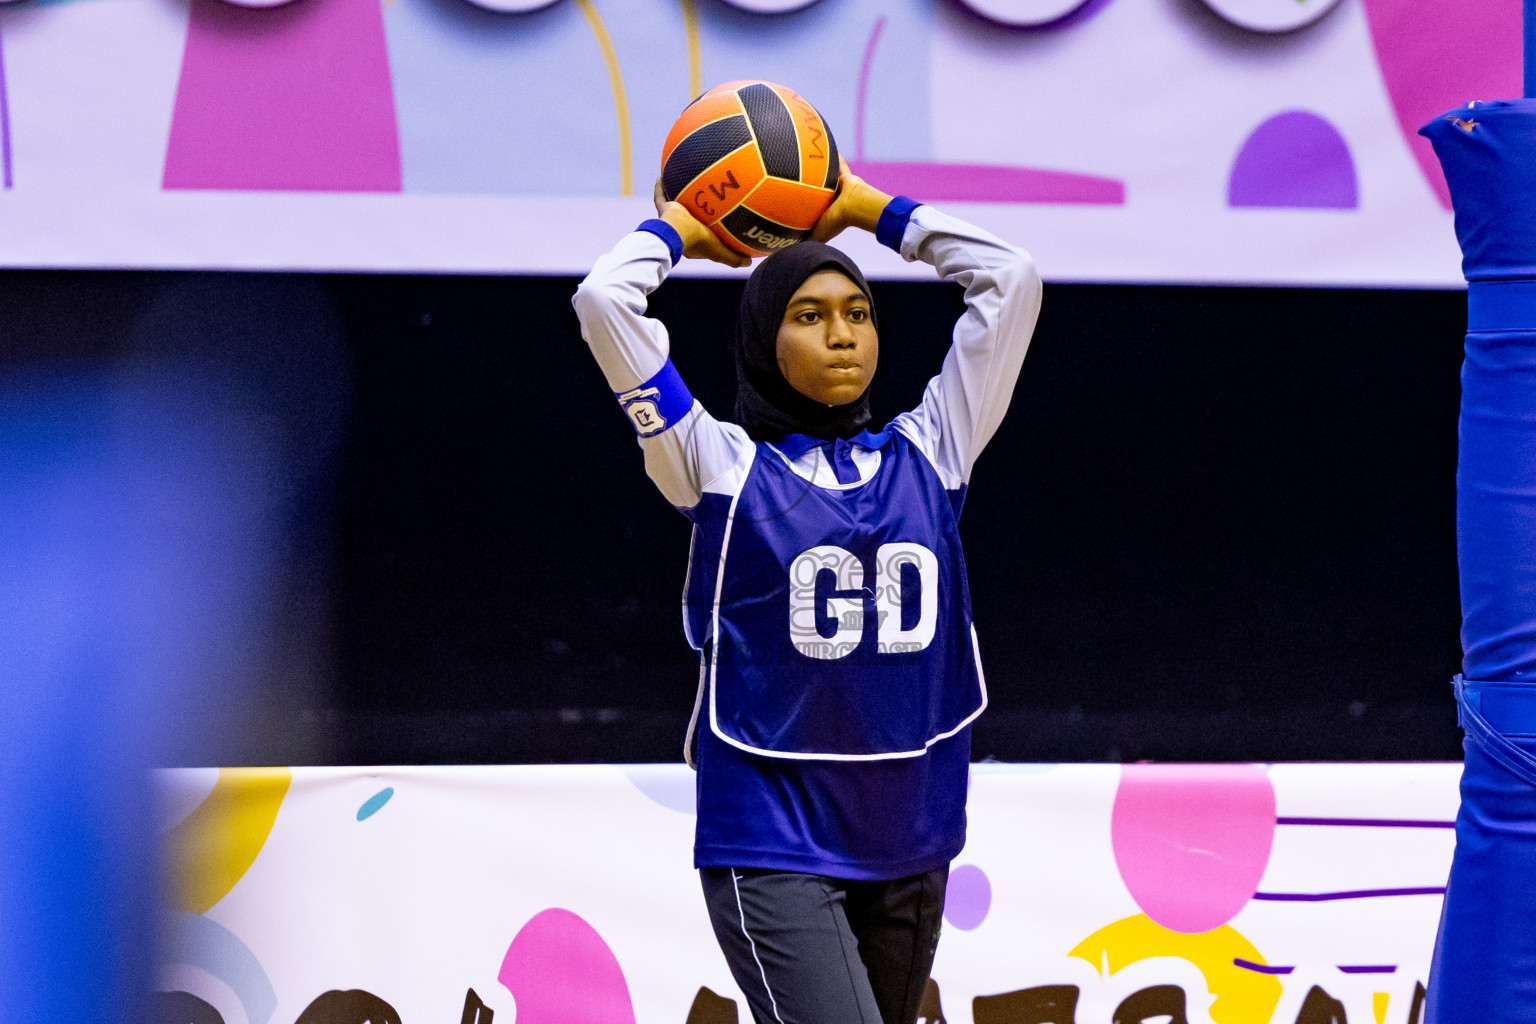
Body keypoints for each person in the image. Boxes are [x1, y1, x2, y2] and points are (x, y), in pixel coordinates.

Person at [572, 163, 1042, 1024]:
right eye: (810, 315)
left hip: (911, 832)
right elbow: (605, 302)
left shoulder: (934, 450)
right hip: (772, 834)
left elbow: (1009, 279)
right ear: (762, 340)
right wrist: (681, 229)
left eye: (859, 314)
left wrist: (873, 212)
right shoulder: (716, 466)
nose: (843, 336)